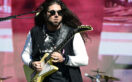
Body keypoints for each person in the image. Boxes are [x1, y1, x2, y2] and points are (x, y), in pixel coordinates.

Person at [21, 0, 89, 82]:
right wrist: (31, 63)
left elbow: (84, 60)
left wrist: (64, 59)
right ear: (45, 14)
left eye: (59, 12)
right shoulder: (35, 32)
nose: (56, 15)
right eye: (52, 12)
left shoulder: (73, 33)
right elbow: (25, 54)